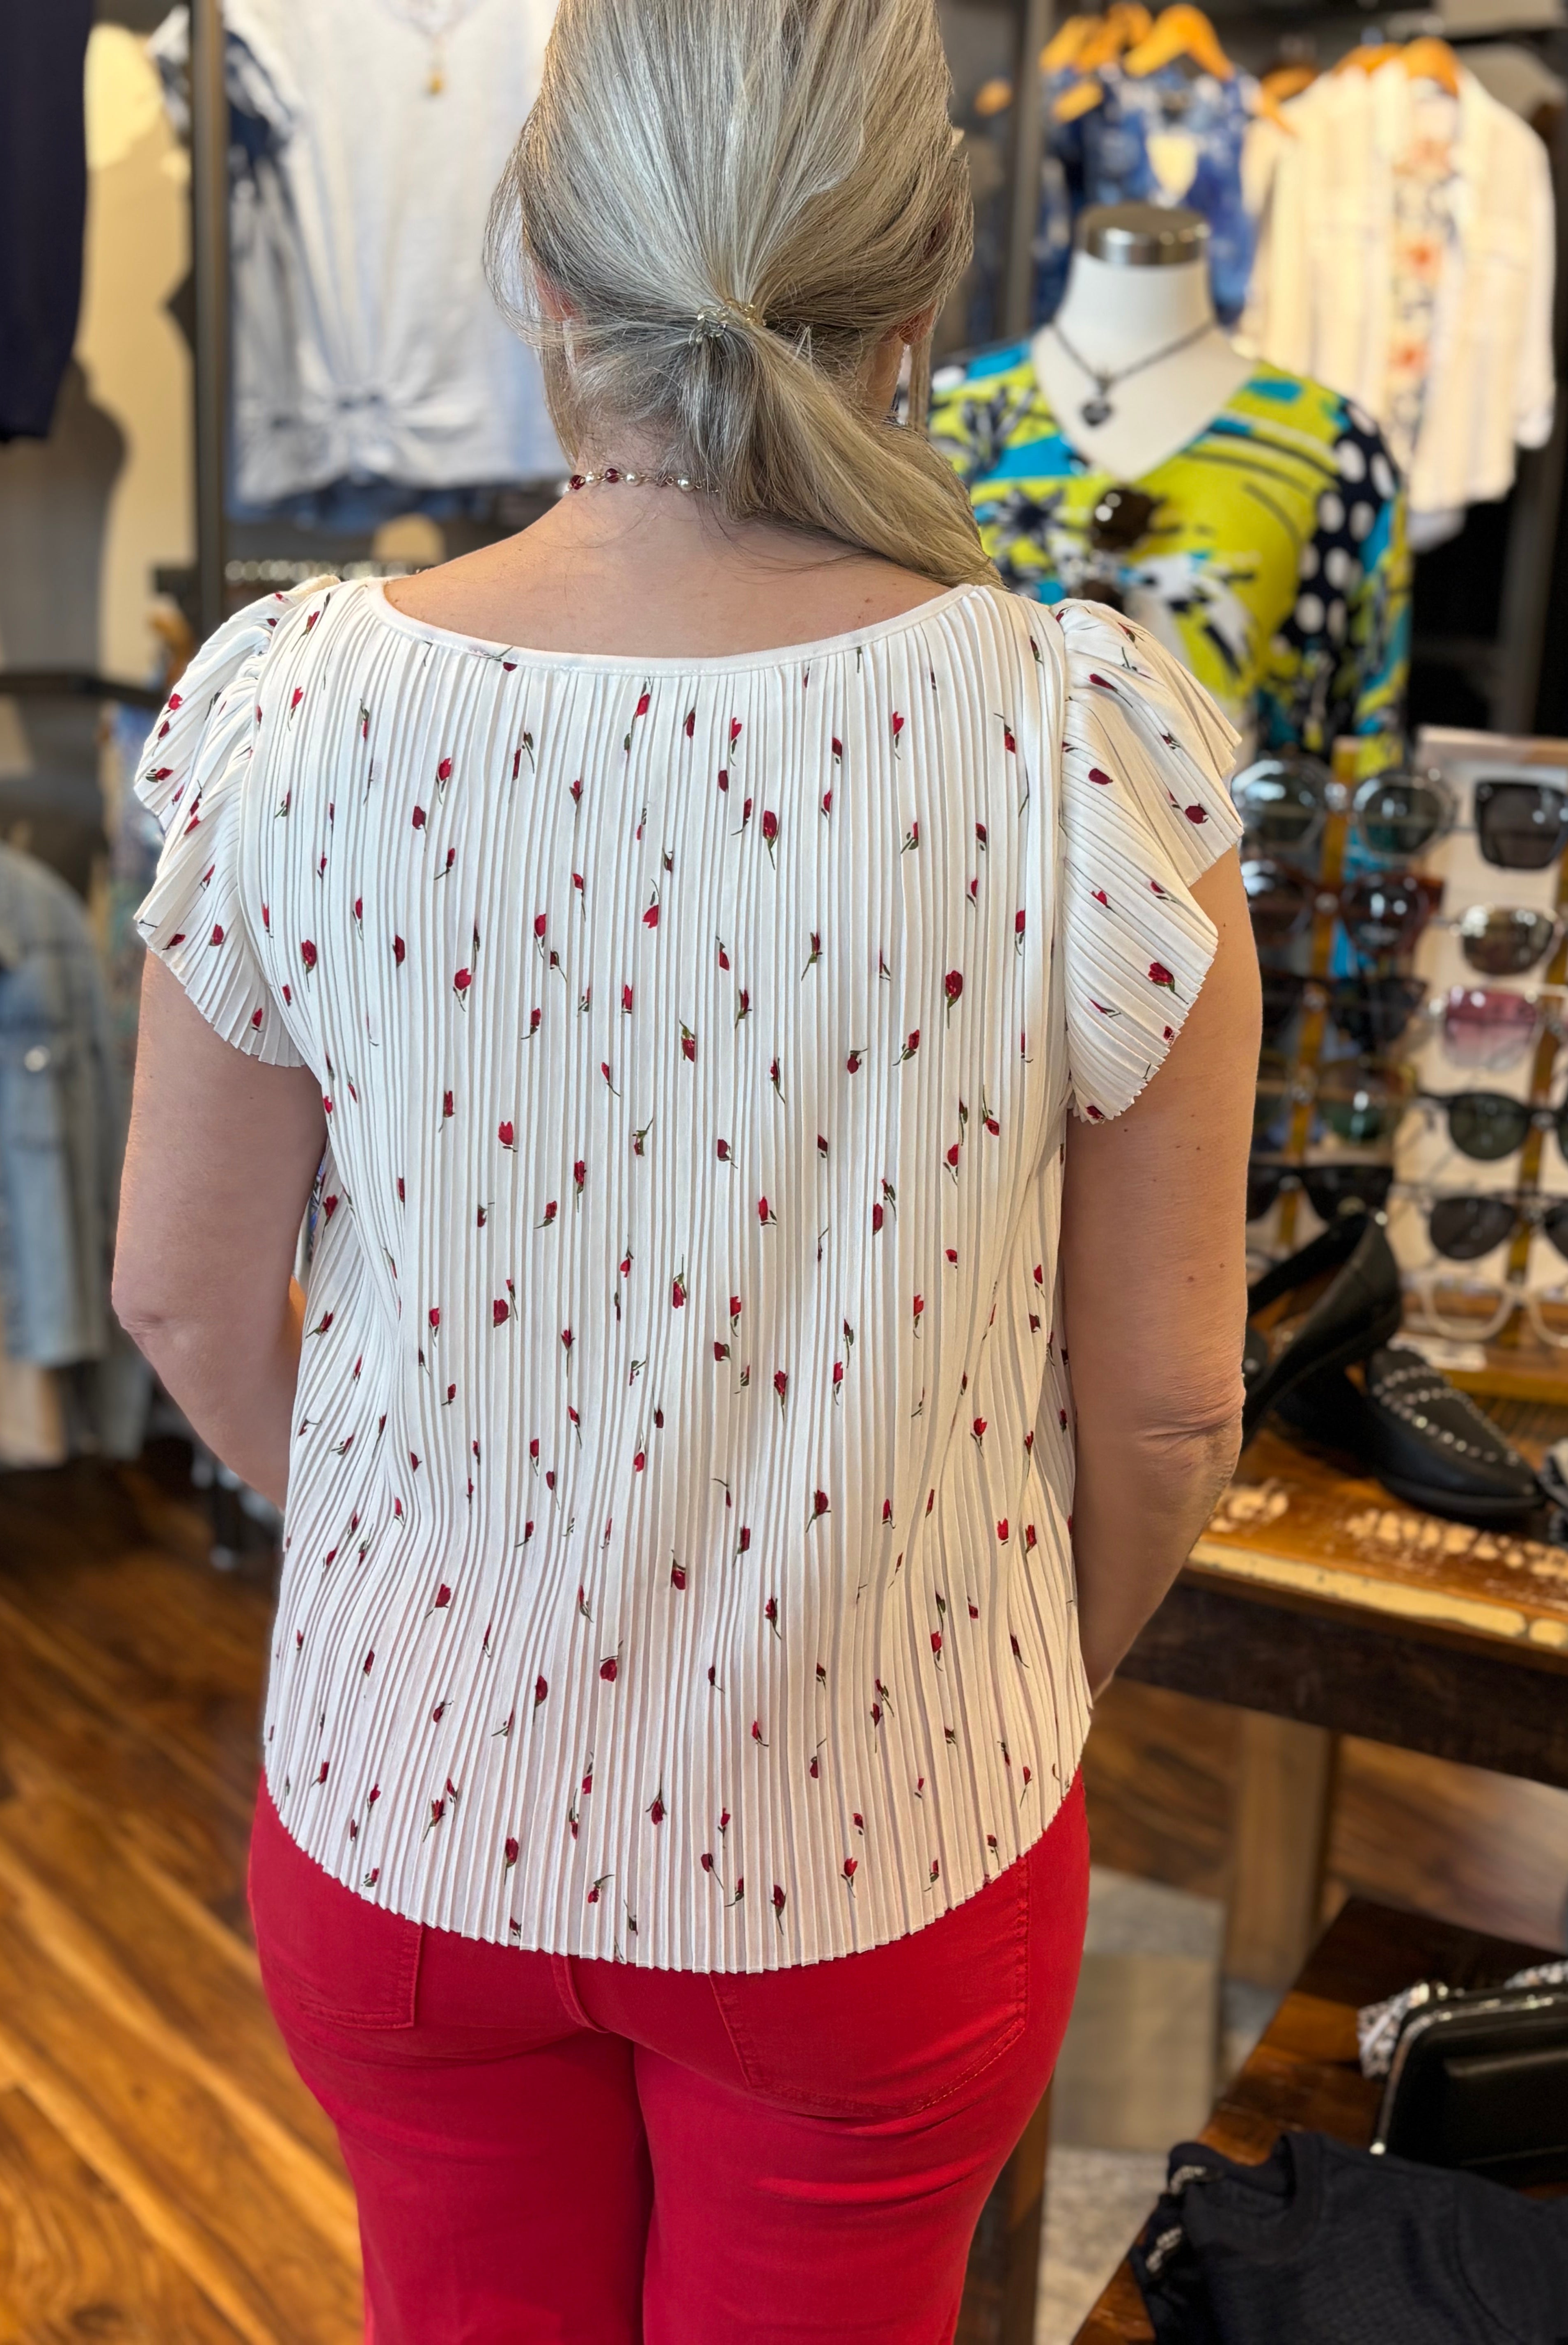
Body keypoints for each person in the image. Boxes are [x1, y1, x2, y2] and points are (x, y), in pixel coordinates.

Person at [112, 0, 1260, 2336]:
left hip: (407, 1818)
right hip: (883, 1839)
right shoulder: (1073, 746)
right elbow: (1160, 1414)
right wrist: (1018, 1661)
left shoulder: (301, 707)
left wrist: (403, 1555)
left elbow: (182, 1303)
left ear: (541, 274)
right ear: (921, 315)